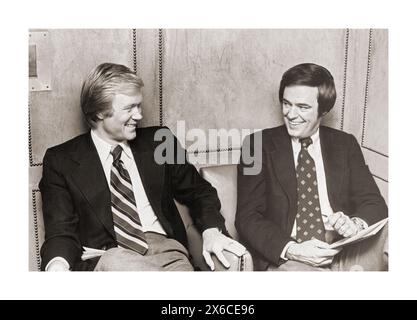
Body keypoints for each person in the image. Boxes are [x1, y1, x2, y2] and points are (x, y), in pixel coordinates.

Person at [40, 62, 246, 271]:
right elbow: (60, 230)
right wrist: (57, 265)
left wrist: (212, 230)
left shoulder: (160, 141)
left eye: (139, 106)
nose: (138, 115)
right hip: (111, 257)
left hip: (169, 254)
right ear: (100, 112)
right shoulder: (61, 160)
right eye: (129, 108)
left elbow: (199, 192)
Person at [235, 63, 388, 271]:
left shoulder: (345, 144)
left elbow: (373, 202)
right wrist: (292, 249)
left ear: (324, 109)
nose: (290, 114)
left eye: (303, 107)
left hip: (343, 249)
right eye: (286, 103)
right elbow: (247, 218)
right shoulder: (255, 146)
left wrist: (355, 224)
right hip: (293, 255)